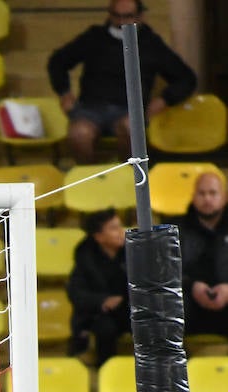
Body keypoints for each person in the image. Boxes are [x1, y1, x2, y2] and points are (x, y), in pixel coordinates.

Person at [46, 0, 196, 164]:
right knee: (79, 134)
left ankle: (130, 181)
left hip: (131, 111)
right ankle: (90, 182)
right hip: (90, 108)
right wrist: (64, 93)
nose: (121, 22)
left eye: (128, 16)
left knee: (131, 128)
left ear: (140, 17)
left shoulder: (151, 43)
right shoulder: (94, 37)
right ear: (109, 14)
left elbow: (186, 78)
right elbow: (57, 61)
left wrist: (164, 100)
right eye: (116, 16)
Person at [67, 208, 130, 366]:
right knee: (105, 327)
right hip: (98, 314)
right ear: (99, 236)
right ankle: (106, 370)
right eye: (114, 228)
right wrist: (103, 300)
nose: (121, 232)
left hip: (129, 308)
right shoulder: (85, 258)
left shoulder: (133, 252)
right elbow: (76, 292)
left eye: (120, 226)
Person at [173, 171, 228, 339]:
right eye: (202, 193)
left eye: (213, 193)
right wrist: (192, 286)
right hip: (189, 300)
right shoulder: (175, 230)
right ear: (193, 196)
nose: (207, 199)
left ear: (224, 197)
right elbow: (166, 271)